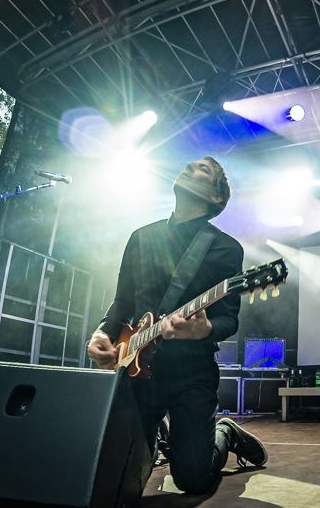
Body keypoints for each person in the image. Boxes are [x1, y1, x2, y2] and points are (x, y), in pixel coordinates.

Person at [86, 156, 267, 496]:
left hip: (191, 373)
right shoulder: (141, 237)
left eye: (203, 169)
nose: (189, 168)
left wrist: (204, 329)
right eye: (189, 165)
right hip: (137, 371)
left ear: (217, 197)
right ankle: (165, 436)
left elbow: (229, 318)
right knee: (114, 478)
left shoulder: (225, 248)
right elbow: (123, 301)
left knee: (193, 480)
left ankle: (224, 432)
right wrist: (102, 333)